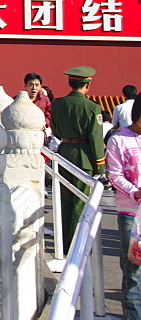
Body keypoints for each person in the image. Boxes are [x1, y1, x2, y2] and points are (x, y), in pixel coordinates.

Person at [51, 65, 106, 252]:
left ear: (70, 83)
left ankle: (63, 243)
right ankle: (76, 246)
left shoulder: (58, 104)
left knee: (64, 201)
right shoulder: (92, 107)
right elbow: (96, 140)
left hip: (64, 155)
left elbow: (56, 131)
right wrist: (100, 168)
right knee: (79, 204)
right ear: (87, 84)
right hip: (84, 159)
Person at [104, 96, 141, 319]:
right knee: (134, 269)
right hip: (131, 211)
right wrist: (135, 192)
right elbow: (115, 175)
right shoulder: (118, 140)